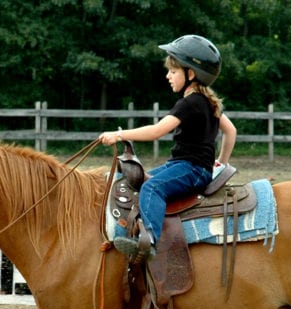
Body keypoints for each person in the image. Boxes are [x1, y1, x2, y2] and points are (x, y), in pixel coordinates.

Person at [100, 34, 237, 261]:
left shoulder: (190, 103)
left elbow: (157, 131)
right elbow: (231, 132)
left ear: (190, 74)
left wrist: (119, 134)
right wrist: (220, 162)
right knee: (140, 180)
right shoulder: (208, 102)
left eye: (173, 72)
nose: (167, 76)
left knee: (151, 188)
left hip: (190, 169)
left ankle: (149, 242)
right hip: (189, 166)